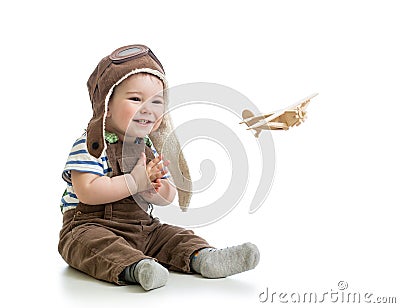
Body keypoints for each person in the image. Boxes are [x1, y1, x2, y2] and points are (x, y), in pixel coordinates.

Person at [58, 44, 260, 291]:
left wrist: (154, 191)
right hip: (90, 226)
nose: (148, 109)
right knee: (91, 245)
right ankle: (136, 267)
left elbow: (167, 194)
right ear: (106, 106)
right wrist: (134, 182)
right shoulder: (92, 144)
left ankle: (204, 257)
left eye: (157, 102)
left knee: (172, 235)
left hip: (143, 228)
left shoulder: (147, 147)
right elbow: (87, 191)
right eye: (135, 99)